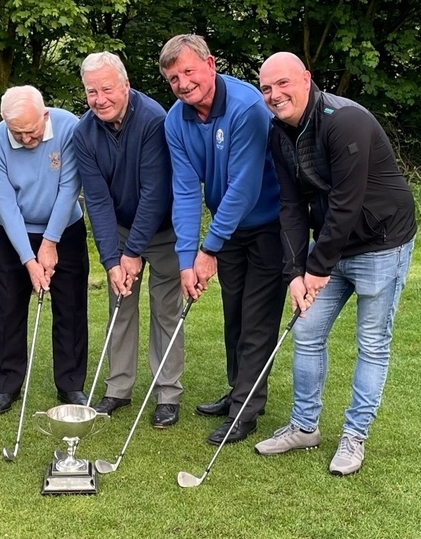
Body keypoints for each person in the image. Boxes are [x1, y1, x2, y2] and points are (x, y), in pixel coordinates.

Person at [253, 52, 417, 476]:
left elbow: (346, 202)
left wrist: (316, 269)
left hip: (383, 241)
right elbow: (290, 205)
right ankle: (305, 427)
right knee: (306, 332)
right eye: (266, 88)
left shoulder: (346, 121)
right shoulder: (278, 133)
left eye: (283, 84)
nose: (274, 95)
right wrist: (294, 272)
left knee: (372, 342)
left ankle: (354, 435)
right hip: (332, 244)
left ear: (306, 79)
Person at [159, 35, 286, 445]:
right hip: (228, 231)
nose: (182, 83)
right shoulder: (175, 120)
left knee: (257, 317)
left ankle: (246, 410)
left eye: (189, 71)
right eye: (173, 77)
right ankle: (239, 393)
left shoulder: (248, 107)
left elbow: (244, 187)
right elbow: (184, 191)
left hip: (269, 225)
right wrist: (186, 258)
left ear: (210, 64)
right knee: (234, 314)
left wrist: (208, 248)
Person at [73, 52, 185, 428]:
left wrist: (134, 252)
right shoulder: (83, 133)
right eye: (92, 92)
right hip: (120, 229)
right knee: (120, 305)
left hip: (165, 230)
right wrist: (111, 259)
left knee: (166, 310)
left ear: (125, 85)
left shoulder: (154, 119)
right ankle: (118, 388)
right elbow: (98, 202)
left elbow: (155, 192)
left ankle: (168, 393)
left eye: (107, 89)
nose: (99, 98)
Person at [0, 85, 89, 414]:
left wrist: (50, 242)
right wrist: (29, 259)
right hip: (14, 232)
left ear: (45, 115)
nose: (27, 140)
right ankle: (6, 384)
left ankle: (70, 383)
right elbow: (6, 207)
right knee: (9, 308)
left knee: (70, 308)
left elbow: (70, 187)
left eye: (32, 132)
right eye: (19, 133)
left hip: (65, 230)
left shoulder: (69, 126)